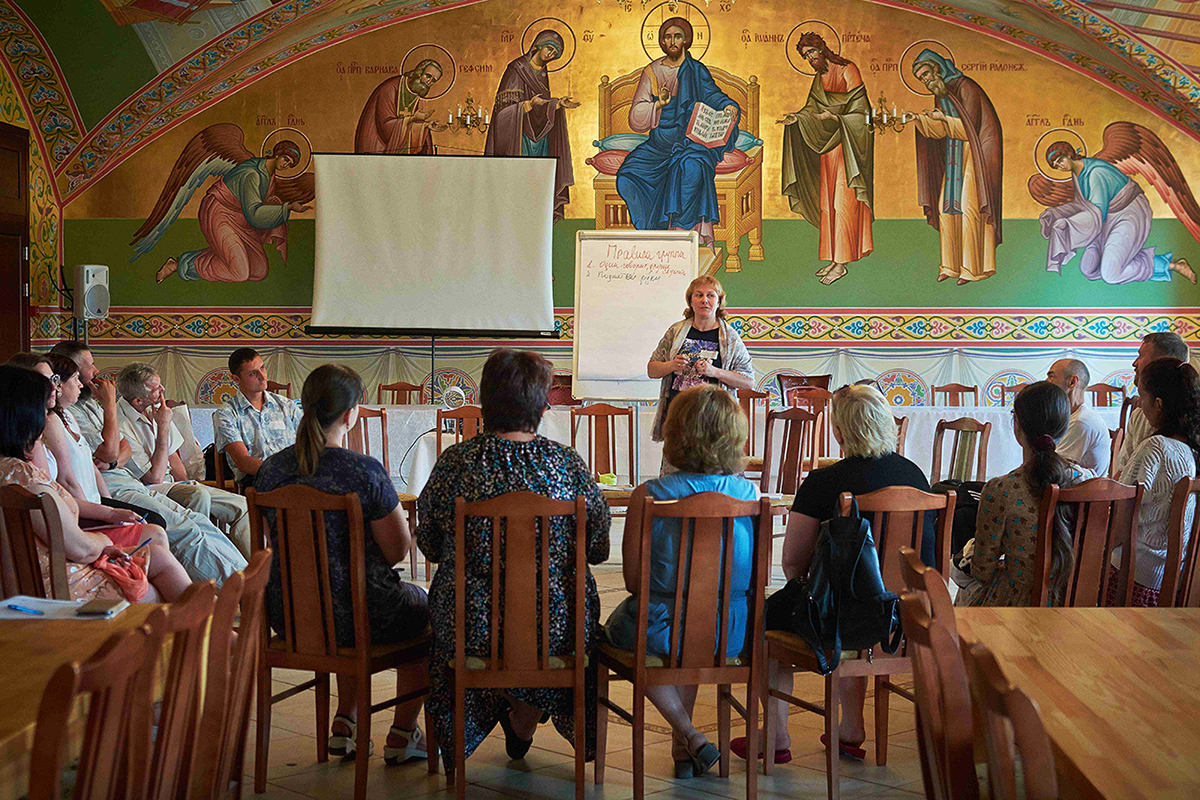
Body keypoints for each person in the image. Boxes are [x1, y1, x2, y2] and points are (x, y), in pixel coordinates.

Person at [417, 349, 610, 770]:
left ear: (485, 402)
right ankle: (524, 716)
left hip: (472, 630)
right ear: (543, 407)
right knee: (560, 629)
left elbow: (429, 544)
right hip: (557, 631)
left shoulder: (456, 463)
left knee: (465, 621)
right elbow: (598, 549)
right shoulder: (567, 465)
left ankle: (508, 715)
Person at [734, 384, 934, 763]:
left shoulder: (825, 482)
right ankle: (851, 727)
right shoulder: (916, 477)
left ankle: (775, 734)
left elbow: (793, 561)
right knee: (859, 604)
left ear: (839, 432)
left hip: (843, 619)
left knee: (761, 621)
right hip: (904, 617)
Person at [256, 364, 431, 762]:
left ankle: (345, 722)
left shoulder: (271, 471)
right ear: (352, 413)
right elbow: (396, 550)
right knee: (424, 611)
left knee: (336, 604)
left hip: (290, 616)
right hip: (365, 613)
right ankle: (403, 734)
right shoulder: (363, 471)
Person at [604, 384, 755, 777]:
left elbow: (635, 581)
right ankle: (684, 744)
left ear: (676, 433)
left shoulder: (651, 494)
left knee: (621, 635)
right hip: (731, 629)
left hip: (660, 626)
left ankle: (689, 734)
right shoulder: (748, 493)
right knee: (694, 631)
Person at [48, 341, 248, 586]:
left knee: (196, 520)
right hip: (120, 487)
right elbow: (114, 454)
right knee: (184, 528)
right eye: (88, 368)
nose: (95, 373)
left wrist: (111, 461)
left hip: (124, 479)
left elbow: (121, 451)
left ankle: (250, 579)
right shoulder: (73, 414)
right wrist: (110, 408)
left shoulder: (87, 405)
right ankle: (240, 590)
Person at [0, 366, 191, 603]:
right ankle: (212, 630)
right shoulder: (26, 478)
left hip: (38, 577)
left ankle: (213, 628)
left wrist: (108, 512)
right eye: (40, 410)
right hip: (60, 588)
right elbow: (81, 548)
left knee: (161, 553)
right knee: (161, 579)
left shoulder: (9, 470)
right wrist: (105, 541)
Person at [955, 382, 1093, 609]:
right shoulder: (1088, 483)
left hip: (1019, 607)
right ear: (1064, 427)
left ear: (1017, 427)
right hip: (1078, 605)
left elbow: (982, 569)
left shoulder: (1002, 489)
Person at [616, 17, 741, 250]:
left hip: (690, 143)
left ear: (686, 40)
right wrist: (658, 105)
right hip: (658, 146)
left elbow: (712, 94)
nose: (672, 41)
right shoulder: (652, 71)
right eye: (667, 37)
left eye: (677, 36)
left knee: (690, 169)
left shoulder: (696, 70)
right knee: (627, 178)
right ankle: (651, 237)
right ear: (662, 41)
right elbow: (635, 117)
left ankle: (682, 239)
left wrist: (727, 105)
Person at [116, 362, 252, 558]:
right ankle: (207, 558)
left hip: (173, 485)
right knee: (198, 495)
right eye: (156, 389)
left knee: (242, 506)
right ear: (138, 401)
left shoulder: (155, 408)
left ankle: (251, 569)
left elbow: (174, 459)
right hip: (148, 488)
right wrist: (163, 426)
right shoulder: (121, 424)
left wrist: (188, 483)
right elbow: (154, 478)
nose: (163, 390)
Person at [780, 32, 874, 286]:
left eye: (812, 53)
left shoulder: (847, 70)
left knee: (843, 203)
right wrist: (797, 119)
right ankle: (833, 258)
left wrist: (835, 119)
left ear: (823, 49)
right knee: (828, 203)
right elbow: (812, 110)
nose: (810, 59)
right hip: (828, 149)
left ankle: (842, 263)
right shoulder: (819, 78)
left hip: (848, 147)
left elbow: (861, 112)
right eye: (806, 56)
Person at [1037, 139, 1196, 285]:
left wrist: (1068, 224)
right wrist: (1056, 213)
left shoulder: (1094, 173)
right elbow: (1082, 205)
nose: (1060, 166)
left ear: (1069, 154)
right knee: (1089, 268)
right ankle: (1120, 258)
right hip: (1107, 217)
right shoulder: (1078, 175)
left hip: (1129, 213)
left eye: (1060, 160)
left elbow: (1095, 213)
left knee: (1111, 274)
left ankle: (1172, 265)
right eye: (1056, 165)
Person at [906, 50, 1003, 284]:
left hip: (975, 156)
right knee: (946, 209)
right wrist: (920, 119)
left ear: (937, 69)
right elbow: (942, 131)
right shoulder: (942, 94)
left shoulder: (966, 87)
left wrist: (942, 120)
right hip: (954, 155)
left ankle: (974, 268)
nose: (926, 80)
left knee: (971, 208)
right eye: (922, 79)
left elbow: (970, 128)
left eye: (927, 74)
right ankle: (950, 266)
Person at [1109, 358, 1200, 606]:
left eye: (1141, 396)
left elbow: (1119, 517)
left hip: (1134, 579)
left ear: (1158, 404)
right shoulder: (1192, 450)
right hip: (1173, 583)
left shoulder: (1156, 447)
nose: (1138, 403)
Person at [647, 276, 754, 462]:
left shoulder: (730, 338)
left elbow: (748, 380)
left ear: (719, 301)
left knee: (712, 478)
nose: (704, 300)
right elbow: (652, 370)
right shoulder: (676, 331)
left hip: (716, 424)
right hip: (679, 421)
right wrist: (671, 365)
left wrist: (715, 372)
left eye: (711, 295)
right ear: (690, 300)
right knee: (677, 481)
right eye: (699, 295)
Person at [484, 30, 578, 221]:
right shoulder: (516, 69)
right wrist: (527, 105)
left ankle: (537, 215)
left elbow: (541, 106)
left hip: (539, 137)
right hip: (518, 139)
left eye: (555, 54)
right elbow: (502, 112)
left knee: (537, 182)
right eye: (550, 49)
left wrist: (557, 104)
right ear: (539, 45)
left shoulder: (542, 74)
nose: (551, 55)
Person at [214, 348, 301, 490]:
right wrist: (283, 473)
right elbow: (244, 462)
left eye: (262, 368)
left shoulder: (286, 406)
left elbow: (309, 441)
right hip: (257, 478)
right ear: (236, 378)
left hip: (295, 476)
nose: (262, 376)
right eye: (253, 373)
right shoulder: (226, 414)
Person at [1114, 331, 1189, 477]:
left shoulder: (1191, 420)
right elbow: (1121, 472)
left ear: (1162, 363)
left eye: (1141, 356)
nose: (1134, 363)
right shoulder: (1139, 415)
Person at [354, 59, 445, 155]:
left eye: (433, 80)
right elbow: (385, 127)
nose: (429, 82)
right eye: (428, 76)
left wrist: (426, 126)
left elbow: (411, 125)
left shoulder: (415, 91)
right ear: (419, 72)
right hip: (379, 148)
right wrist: (413, 118)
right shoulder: (390, 88)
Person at [1047, 358, 1111, 475]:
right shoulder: (1070, 417)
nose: (1047, 382)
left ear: (1072, 382)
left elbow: (1054, 471)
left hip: (1082, 492)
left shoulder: (1081, 422)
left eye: (1051, 376)